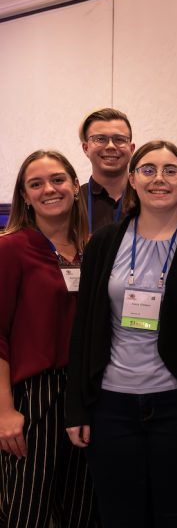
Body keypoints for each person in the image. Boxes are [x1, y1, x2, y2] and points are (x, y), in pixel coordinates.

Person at [66, 140, 177, 528]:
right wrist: (78, 407)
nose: (160, 179)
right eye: (149, 170)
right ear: (133, 180)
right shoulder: (105, 242)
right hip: (111, 406)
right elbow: (85, 327)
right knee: (120, 515)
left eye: (171, 170)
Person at [0, 151, 98, 528]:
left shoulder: (93, 250)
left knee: (83, 508)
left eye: (57, 180)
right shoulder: (11, 249)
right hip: (35, 397)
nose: (49, 189)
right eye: (36, 183)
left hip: (89, 393)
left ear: (75, 185)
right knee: (29, 511)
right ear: (24, 196)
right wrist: (5, 411)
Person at [78, 108, 135, 236]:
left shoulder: (148, 198)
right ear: (86, 148)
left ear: (131, 149)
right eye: (100, 139)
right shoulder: (73, 202)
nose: (110, 146)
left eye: (119, 139)